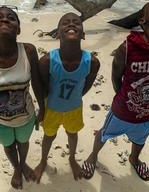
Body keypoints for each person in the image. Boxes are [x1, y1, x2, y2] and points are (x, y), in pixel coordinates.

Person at [81, 0, 149, 181]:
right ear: (142, 20)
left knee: (140, 140)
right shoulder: (128, 48)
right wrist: (122, 97)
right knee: (104, 133)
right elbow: (116, 76)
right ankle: (93, 156)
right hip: (122, 111)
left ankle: (134, 158)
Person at [0, 5, 44, 189]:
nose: (4, 20)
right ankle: (17, 169)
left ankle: (21, 165)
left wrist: (42, 109)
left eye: (11, 18)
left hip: (26, 116)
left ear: (18, 29)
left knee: (23, 142)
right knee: (9, 145)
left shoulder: (28, 50)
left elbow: (36, 83)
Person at [34, 12, 100, 182]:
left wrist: (74, 98)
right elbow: (42, 88)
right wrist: (42, 109)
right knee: (49, 135)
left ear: (83, 34)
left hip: (74, 108)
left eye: (76, 22)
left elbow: (86, 86)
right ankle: (43, 160)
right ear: (57, 33)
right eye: (66, 23)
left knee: (72, 133)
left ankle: (72, 158)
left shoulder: (91, 62)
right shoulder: (47, 61)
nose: (71, 24)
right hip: (52, 109)